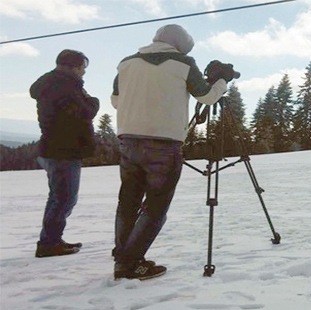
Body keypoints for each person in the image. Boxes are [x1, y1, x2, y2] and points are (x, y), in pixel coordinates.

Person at [110, 24, 234, 280]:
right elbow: (207, 97)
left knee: (128, 202)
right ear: (180, 45)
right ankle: (130, 262)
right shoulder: (184, 63)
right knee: (155, 206)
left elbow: (115, 101)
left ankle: (124, 259)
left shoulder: (126, 63)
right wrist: (222, 80)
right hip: (164, 144)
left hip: (129, 140)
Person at [30, 49, 100, 257]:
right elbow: (84, 112)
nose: (83, 73)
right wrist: (94, 101)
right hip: (63, 150)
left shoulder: (50, 84)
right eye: (83, 68)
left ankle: (51, 240)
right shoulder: (66, 86)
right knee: (64, 198)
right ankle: (49, 243)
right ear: (73, 67)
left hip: (51, 147)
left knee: (58, 197)